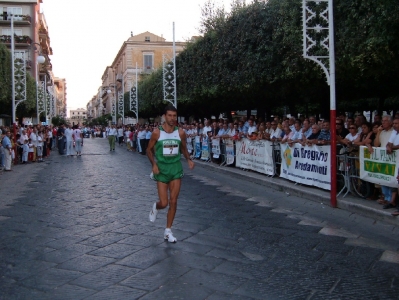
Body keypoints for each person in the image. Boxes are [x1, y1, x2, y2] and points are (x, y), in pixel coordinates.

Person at [147, 105, 195, 243]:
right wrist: (154, 164)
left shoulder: (180, 132)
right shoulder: (157, 132)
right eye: (170, 115)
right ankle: (156, 207)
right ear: (164, 116)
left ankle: (168, 231)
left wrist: (188, 159)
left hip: (175, 169)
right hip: (162, 169)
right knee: (164, 202)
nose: (172, 118)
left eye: (174, 116)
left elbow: (184, 148)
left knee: (173, 201)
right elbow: (149, 150)